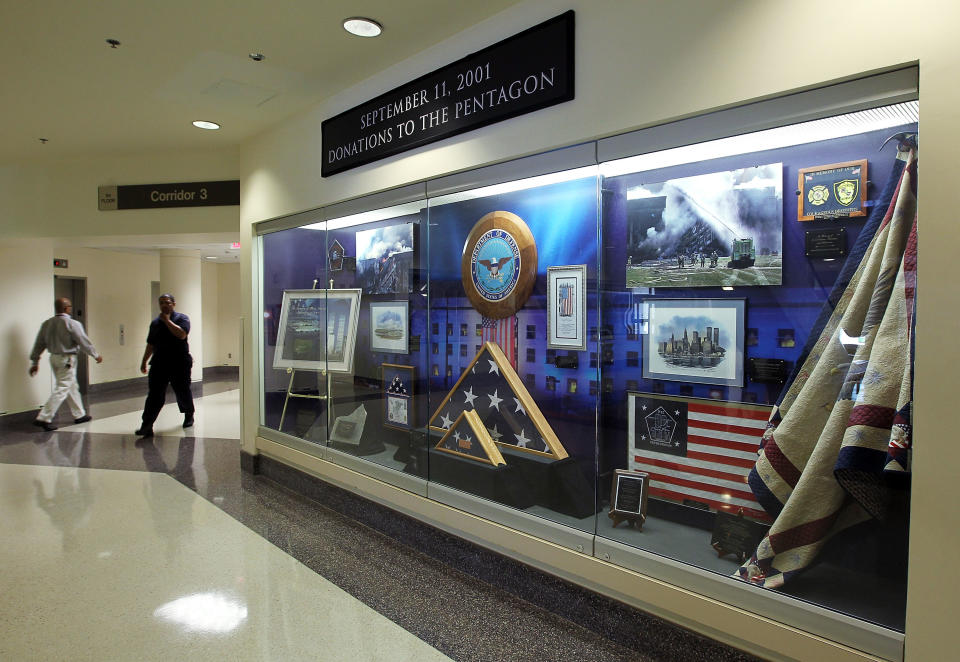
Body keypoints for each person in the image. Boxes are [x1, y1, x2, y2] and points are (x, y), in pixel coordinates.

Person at [29, 297, 103, 431]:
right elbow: (83, 341)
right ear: (66, 308)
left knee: (71, 386)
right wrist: (95, 355)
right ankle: (44, 417)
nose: (71, 308)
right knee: (63, 387)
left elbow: (39, 344)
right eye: (69, 306)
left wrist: (35, 361)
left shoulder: (47, 324)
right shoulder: (72, 323)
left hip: (54, 359)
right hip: (67, 359)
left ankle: (79, 414)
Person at [135, 293, 195, 437]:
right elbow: (150, 344)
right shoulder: (155, 323)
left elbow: (181, 335)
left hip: (179, 363)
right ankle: (147, 425)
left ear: (173, 304)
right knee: (154, 395)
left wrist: (167, 321)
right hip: (159, 363)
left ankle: (188, 414)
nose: (164, 305)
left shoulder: (182, 318)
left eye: (167, 302)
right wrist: (144, 361)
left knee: (182, 390)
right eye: (161, 302)